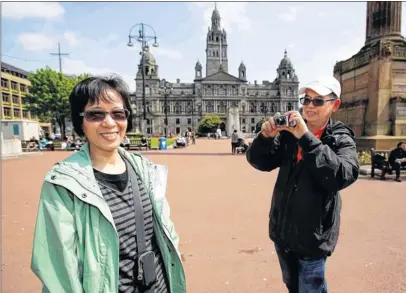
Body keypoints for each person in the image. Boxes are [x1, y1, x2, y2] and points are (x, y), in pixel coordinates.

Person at [31, 75, 186, 293]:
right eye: (96, 114)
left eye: (117, 113)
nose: (109, 122)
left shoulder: (146, 170)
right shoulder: (62, 184)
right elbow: (58, 271)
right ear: (80, 122)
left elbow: (165, 231)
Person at [246, 76, 359, 293]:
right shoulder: (289, 135)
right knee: (292, 285)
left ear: (334, 105)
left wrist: (306, 137)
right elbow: (260, 162)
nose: (309, 106)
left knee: (311, 289)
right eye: (306, 100)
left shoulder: (340, 138)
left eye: (318, 101)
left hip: (313, 238)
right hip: (283, 231)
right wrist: (266, 138)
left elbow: (342, 175)